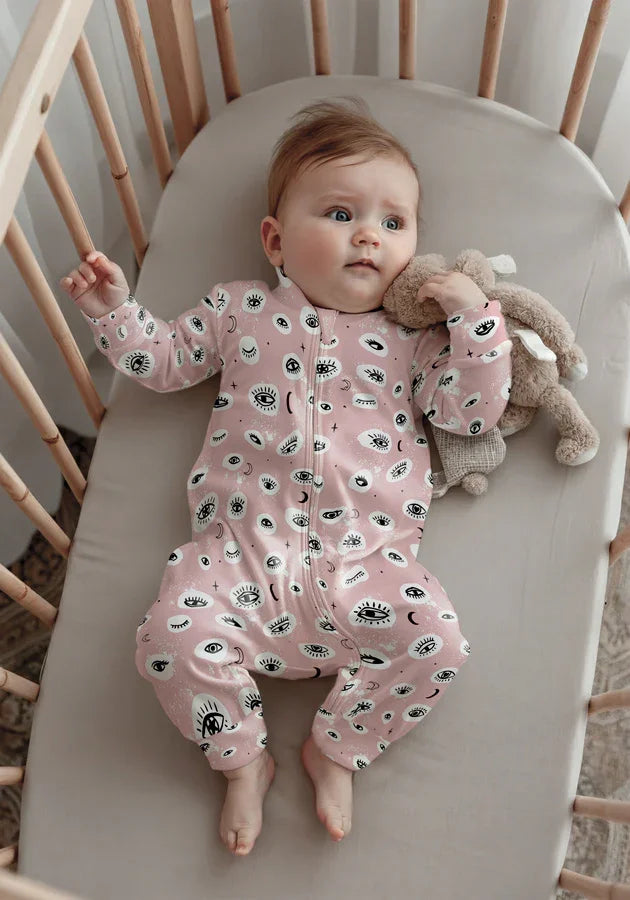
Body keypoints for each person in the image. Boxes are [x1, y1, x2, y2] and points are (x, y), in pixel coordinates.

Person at [59, 96, 512, 858]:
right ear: (275, 240)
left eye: (394, 222)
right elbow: (163, 360)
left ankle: (338, 746)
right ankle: (242, 758)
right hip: (240, 560)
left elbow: (471, 413)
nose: (369, 235)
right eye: (340, 213)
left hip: (363, 568)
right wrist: (113, 310)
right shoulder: (240, 312)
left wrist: (477, 322)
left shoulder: (410, 342)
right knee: (168, 640)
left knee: (438, 641)